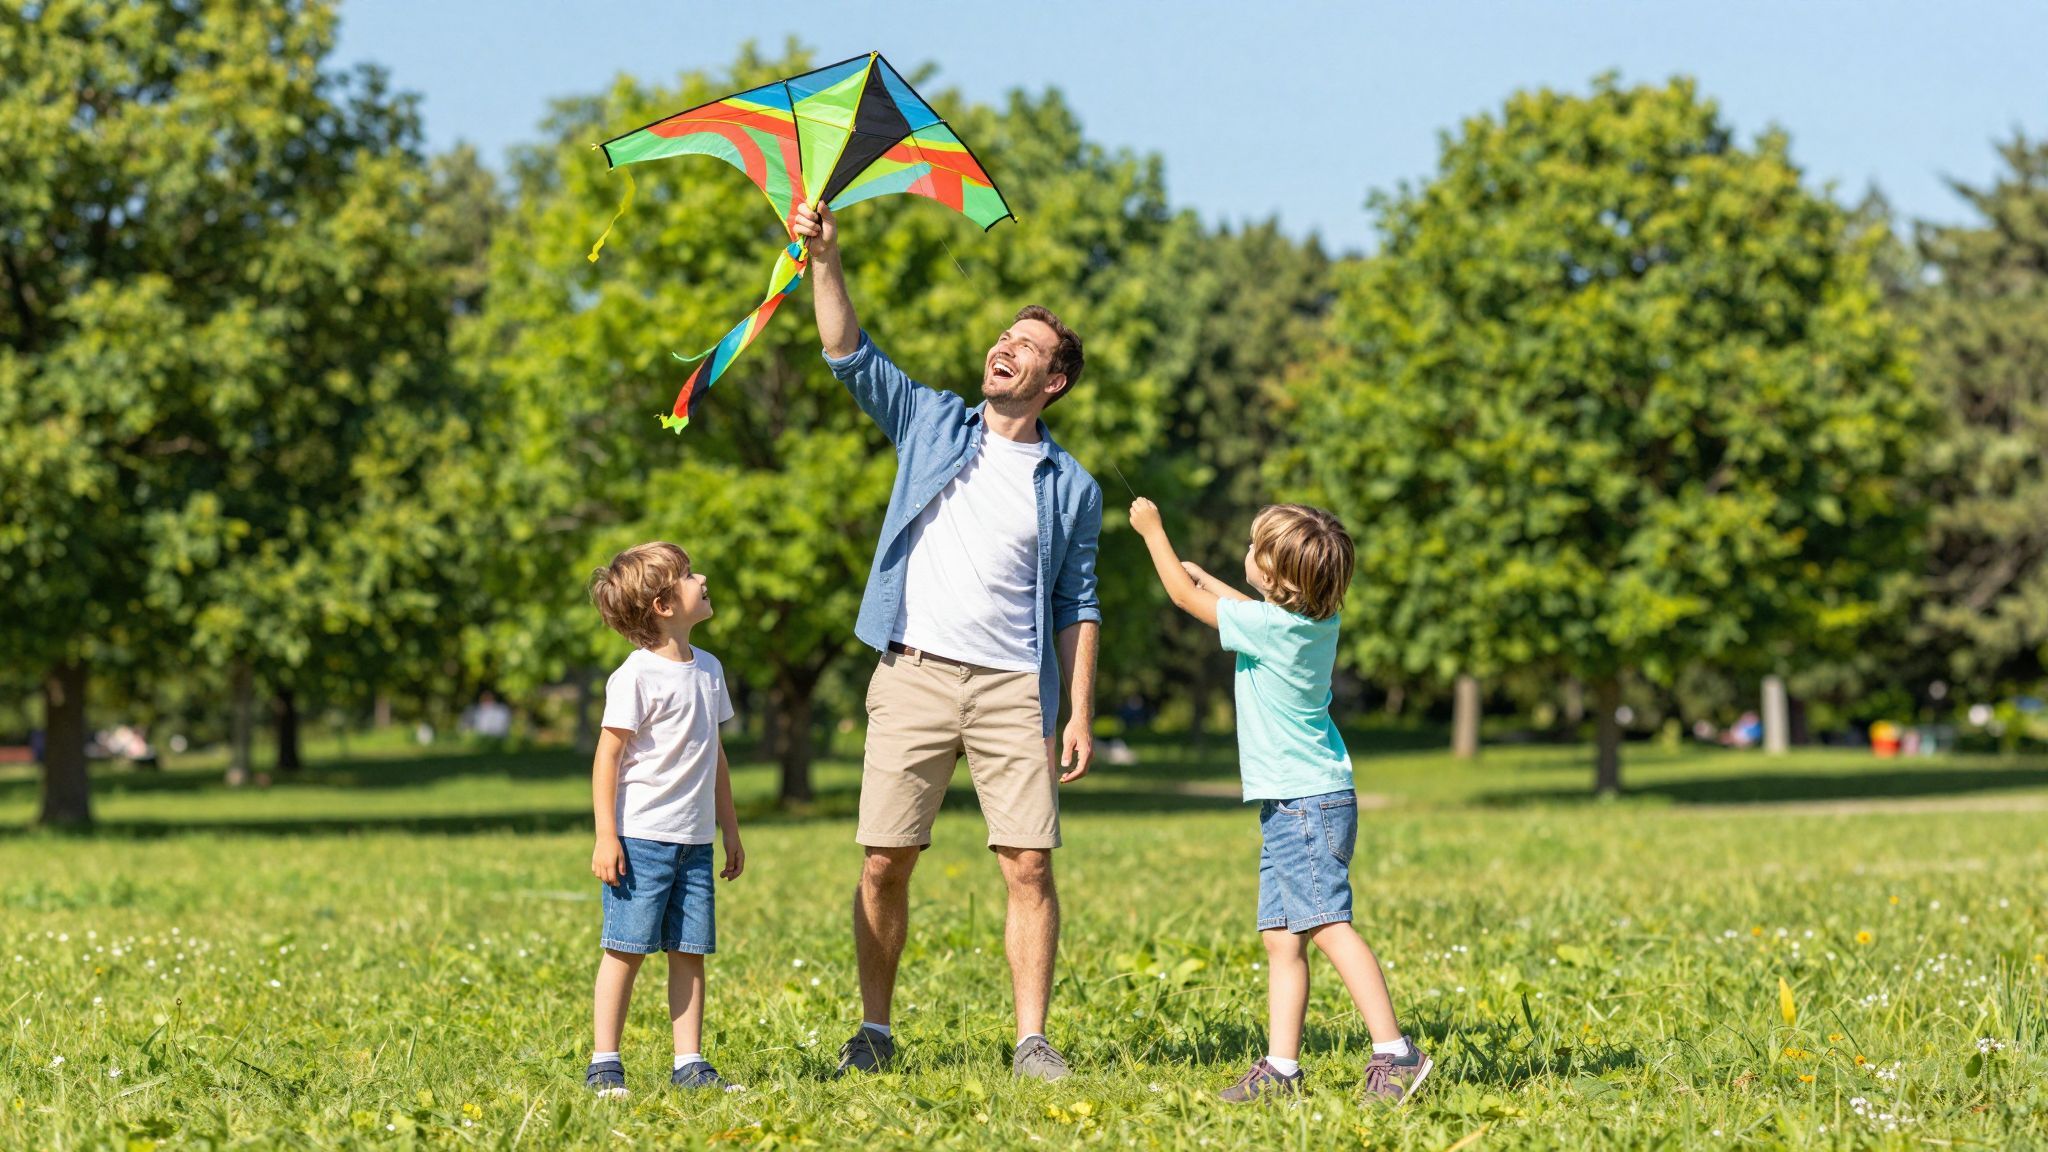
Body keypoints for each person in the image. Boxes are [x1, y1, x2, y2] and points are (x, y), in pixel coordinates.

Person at [789, 200, 1103, 1082]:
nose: (1006, 346)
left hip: (1014, 688)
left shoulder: (1071, 485)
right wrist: (825, 258)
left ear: (1053, 382)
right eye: (1005, 336)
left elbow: (1079, 602)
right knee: (885, 861)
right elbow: (848, 352)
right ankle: (874, 1030)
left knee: (1029, 866)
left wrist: (1079, 711)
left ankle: (1032, 1041)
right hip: (914, 672)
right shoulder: (931, 422)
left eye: (1027, 346)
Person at [1128, 498, 1433, 1104]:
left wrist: (1153, 532)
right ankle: (1282, 1070)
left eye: (1255, 549)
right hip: (1303, 802)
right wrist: (1210, 579)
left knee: (1328, 926)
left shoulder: (1269, 629)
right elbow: (1245, 611)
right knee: (1282, 938)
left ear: (1277, 578)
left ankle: (1396, 1052)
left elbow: (1184, 601)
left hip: (1304, 805)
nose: (1246, 553)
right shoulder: (1313, 623)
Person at [583, 542, 745, 1096]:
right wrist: (606, 836)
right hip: (641, 842)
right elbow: (607, 757)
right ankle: (605, 1063)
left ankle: (689, 1064)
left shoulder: (710, 670)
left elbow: (715, 755)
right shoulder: (636, 676)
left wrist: (730, 828)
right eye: (688, 575)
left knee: (689, 951)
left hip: (694, 843)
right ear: (663, 605)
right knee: (625, 949)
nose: (702, 578)